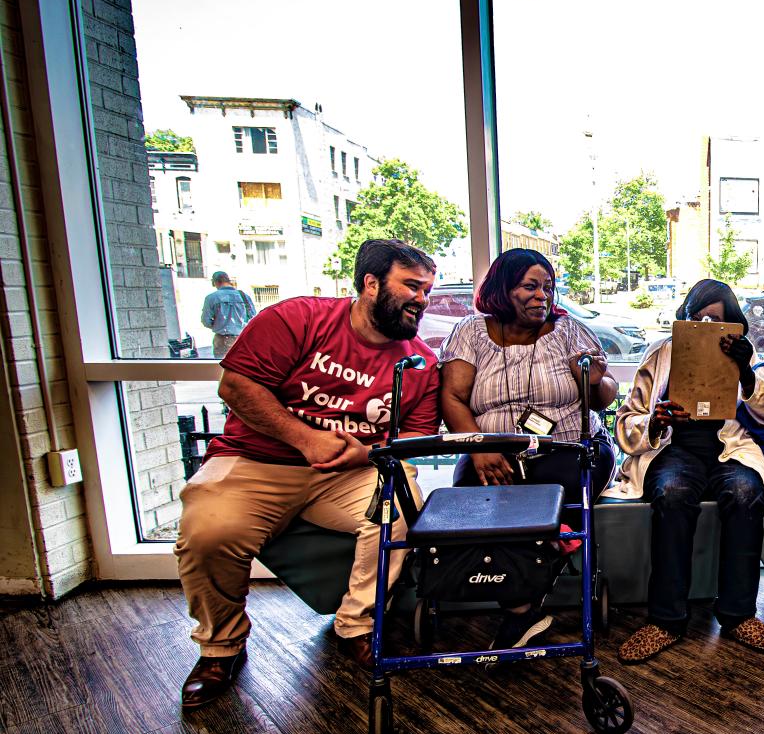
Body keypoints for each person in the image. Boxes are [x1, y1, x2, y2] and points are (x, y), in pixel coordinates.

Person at [175, 239, 441, 708]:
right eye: (412, 287)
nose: (422, 299)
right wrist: (306, 438)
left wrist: (366, 454)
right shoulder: (297, 319)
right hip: (257, 461)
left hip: (348, 474)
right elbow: (236, 386)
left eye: (427, 291)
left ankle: (358, 625)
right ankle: (221, 648)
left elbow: (412, 443)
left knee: (398, 506)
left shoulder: (420, 362)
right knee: (208, 531)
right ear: (371, 283)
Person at [438, 249, 618, 648]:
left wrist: (591, 379)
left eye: (549, 288)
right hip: (491, 452)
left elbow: (605, 397)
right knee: (473, 497)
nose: (543, 296)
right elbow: (452, 397)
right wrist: (479, 448)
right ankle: (528, 597)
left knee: (539, 496)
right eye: (530, 286)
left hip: (568, 449)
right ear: (504, 288)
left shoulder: (568, 331)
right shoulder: (471, 332)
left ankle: (520, 608)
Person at [611, 279, 764, 663]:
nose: (706, 327)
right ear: (686, 317)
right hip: (675, 450)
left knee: (745, 494)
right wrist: (656, 420)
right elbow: (627, 418)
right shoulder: (662, 353)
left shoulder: (746, 355)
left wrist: (744, 370)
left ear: (732, 324)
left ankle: (739, 614)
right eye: (699, 318)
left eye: (717, 321)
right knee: (672, 493)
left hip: (729, 452)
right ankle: (667, 619)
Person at [200, 271, 257, 358]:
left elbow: (205, 321)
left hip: (222, 340)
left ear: (215, 282)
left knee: (221, 368)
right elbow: (253, 317)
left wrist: (219, 325)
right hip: (242, 339)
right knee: (242, 367)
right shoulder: (244, 296)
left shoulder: (211, 298)